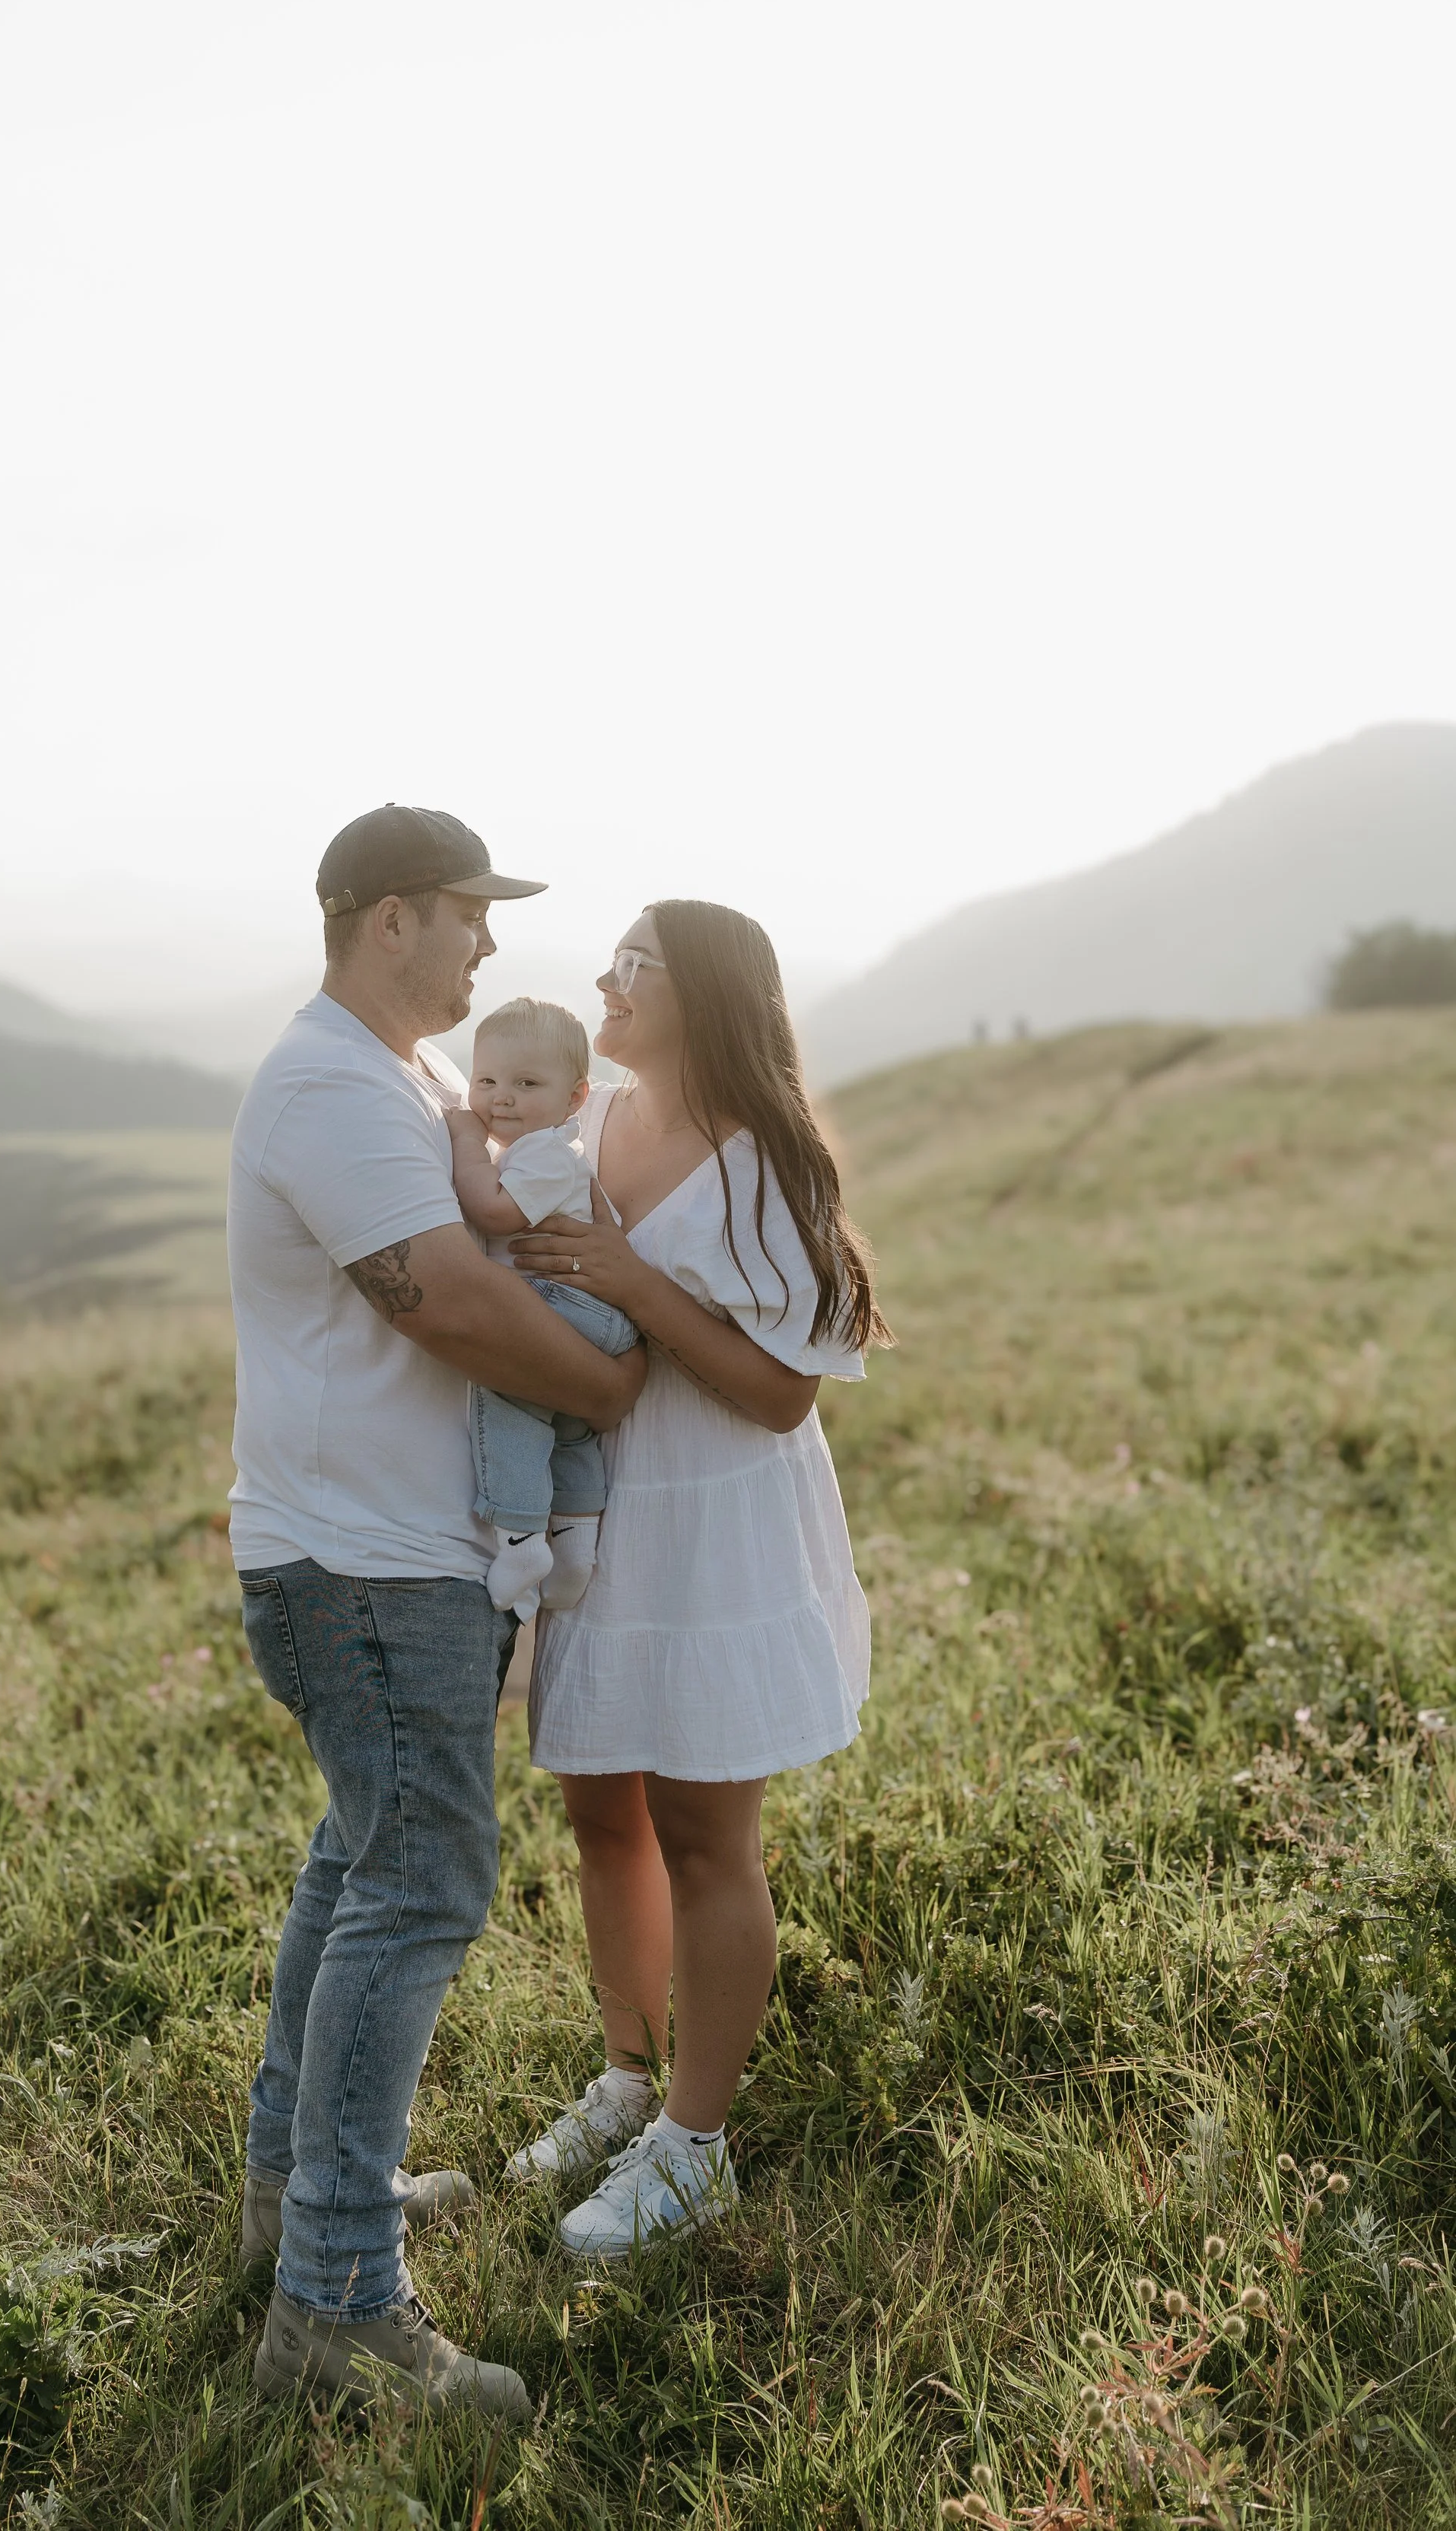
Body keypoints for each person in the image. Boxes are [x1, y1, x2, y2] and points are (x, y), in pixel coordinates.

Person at [227, 806, 648, 2415]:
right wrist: (613, 1378)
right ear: (391, 916)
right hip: (364, 1569)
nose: (487, 948)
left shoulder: (393, 1080)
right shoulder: (333, 1086)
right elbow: (460, 1302)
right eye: (469, 916)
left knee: (360, 1858)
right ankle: (334, 2297)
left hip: (379, 1558)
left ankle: (295, 2201)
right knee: (416, 1881)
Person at [502, 898, 889, 2258]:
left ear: (707, 993)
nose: (604, 980)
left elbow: (782, 1396)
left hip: (715, 1516)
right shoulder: (587, 1119)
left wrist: (633, 1279)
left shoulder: (767, 1164)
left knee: (707, 1834)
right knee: (601, 1810)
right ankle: (624, 2075)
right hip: (600, 1512)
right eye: (609, 959)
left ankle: (696, 2141)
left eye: (636, 966)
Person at [446, 997, 642, 1621]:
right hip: (589, 1313)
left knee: (507, 1388)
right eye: (487, 1081)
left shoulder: (545, 1152)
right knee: (566, 1423)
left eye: (527, 1083)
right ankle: (576, 1539)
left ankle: (521, 1535)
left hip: (568, 1304)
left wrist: (465, 1142)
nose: (501, 1098)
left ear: (576, 1097)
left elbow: (495, 1211)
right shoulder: (542, 1147)